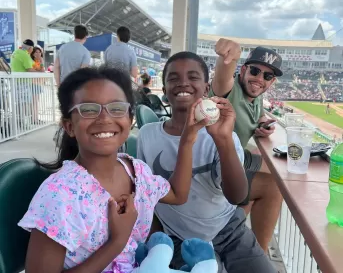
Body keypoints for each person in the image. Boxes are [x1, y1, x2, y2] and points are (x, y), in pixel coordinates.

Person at [18, 65, 209, 273]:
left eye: (116, 108)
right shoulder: (59, 196)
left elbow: (178, 194)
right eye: (89, 109)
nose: (105, 118)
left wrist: (187, 139)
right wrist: (117, 241)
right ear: (69, 126)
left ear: (130, 120)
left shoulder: (137, 172)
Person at [137, 51, 276, 273]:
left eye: (193, 77)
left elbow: (238, 196)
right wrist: (155, 242)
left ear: (206, 88)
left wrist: (223, 140)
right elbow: (146, 198)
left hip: (228, 229)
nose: (183, 82)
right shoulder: (148, 135)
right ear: (164, 90)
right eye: (173, 78)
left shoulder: (222, 134)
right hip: (176, 237)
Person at [210, 40, 284, 253]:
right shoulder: (229, 89)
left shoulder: (256, 96)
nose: (259, 79)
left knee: (275, 171)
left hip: (232, 161)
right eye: (255, 71)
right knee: (274, 185)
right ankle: (260, 254)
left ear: (271, 82)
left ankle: (238, 223)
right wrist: (229, 58)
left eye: (267, 76)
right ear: (242, 70)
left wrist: (262, 124)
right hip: (214, 168)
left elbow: (258, 113)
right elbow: (222, 78)